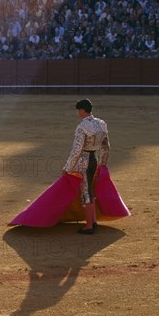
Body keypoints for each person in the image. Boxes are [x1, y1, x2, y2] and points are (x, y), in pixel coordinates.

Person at [62, 99, 110, 234]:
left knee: (85, 192)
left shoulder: (82, 127)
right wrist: (103, 164)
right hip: (94, 159)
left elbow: (76, 150)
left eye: (78, 110)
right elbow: (106, 147)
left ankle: (89, 226)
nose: (78, 113)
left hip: (83, 161)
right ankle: (93, 221)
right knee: (90, 189)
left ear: (83, 110)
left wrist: (68, 168)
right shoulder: (101, 124)